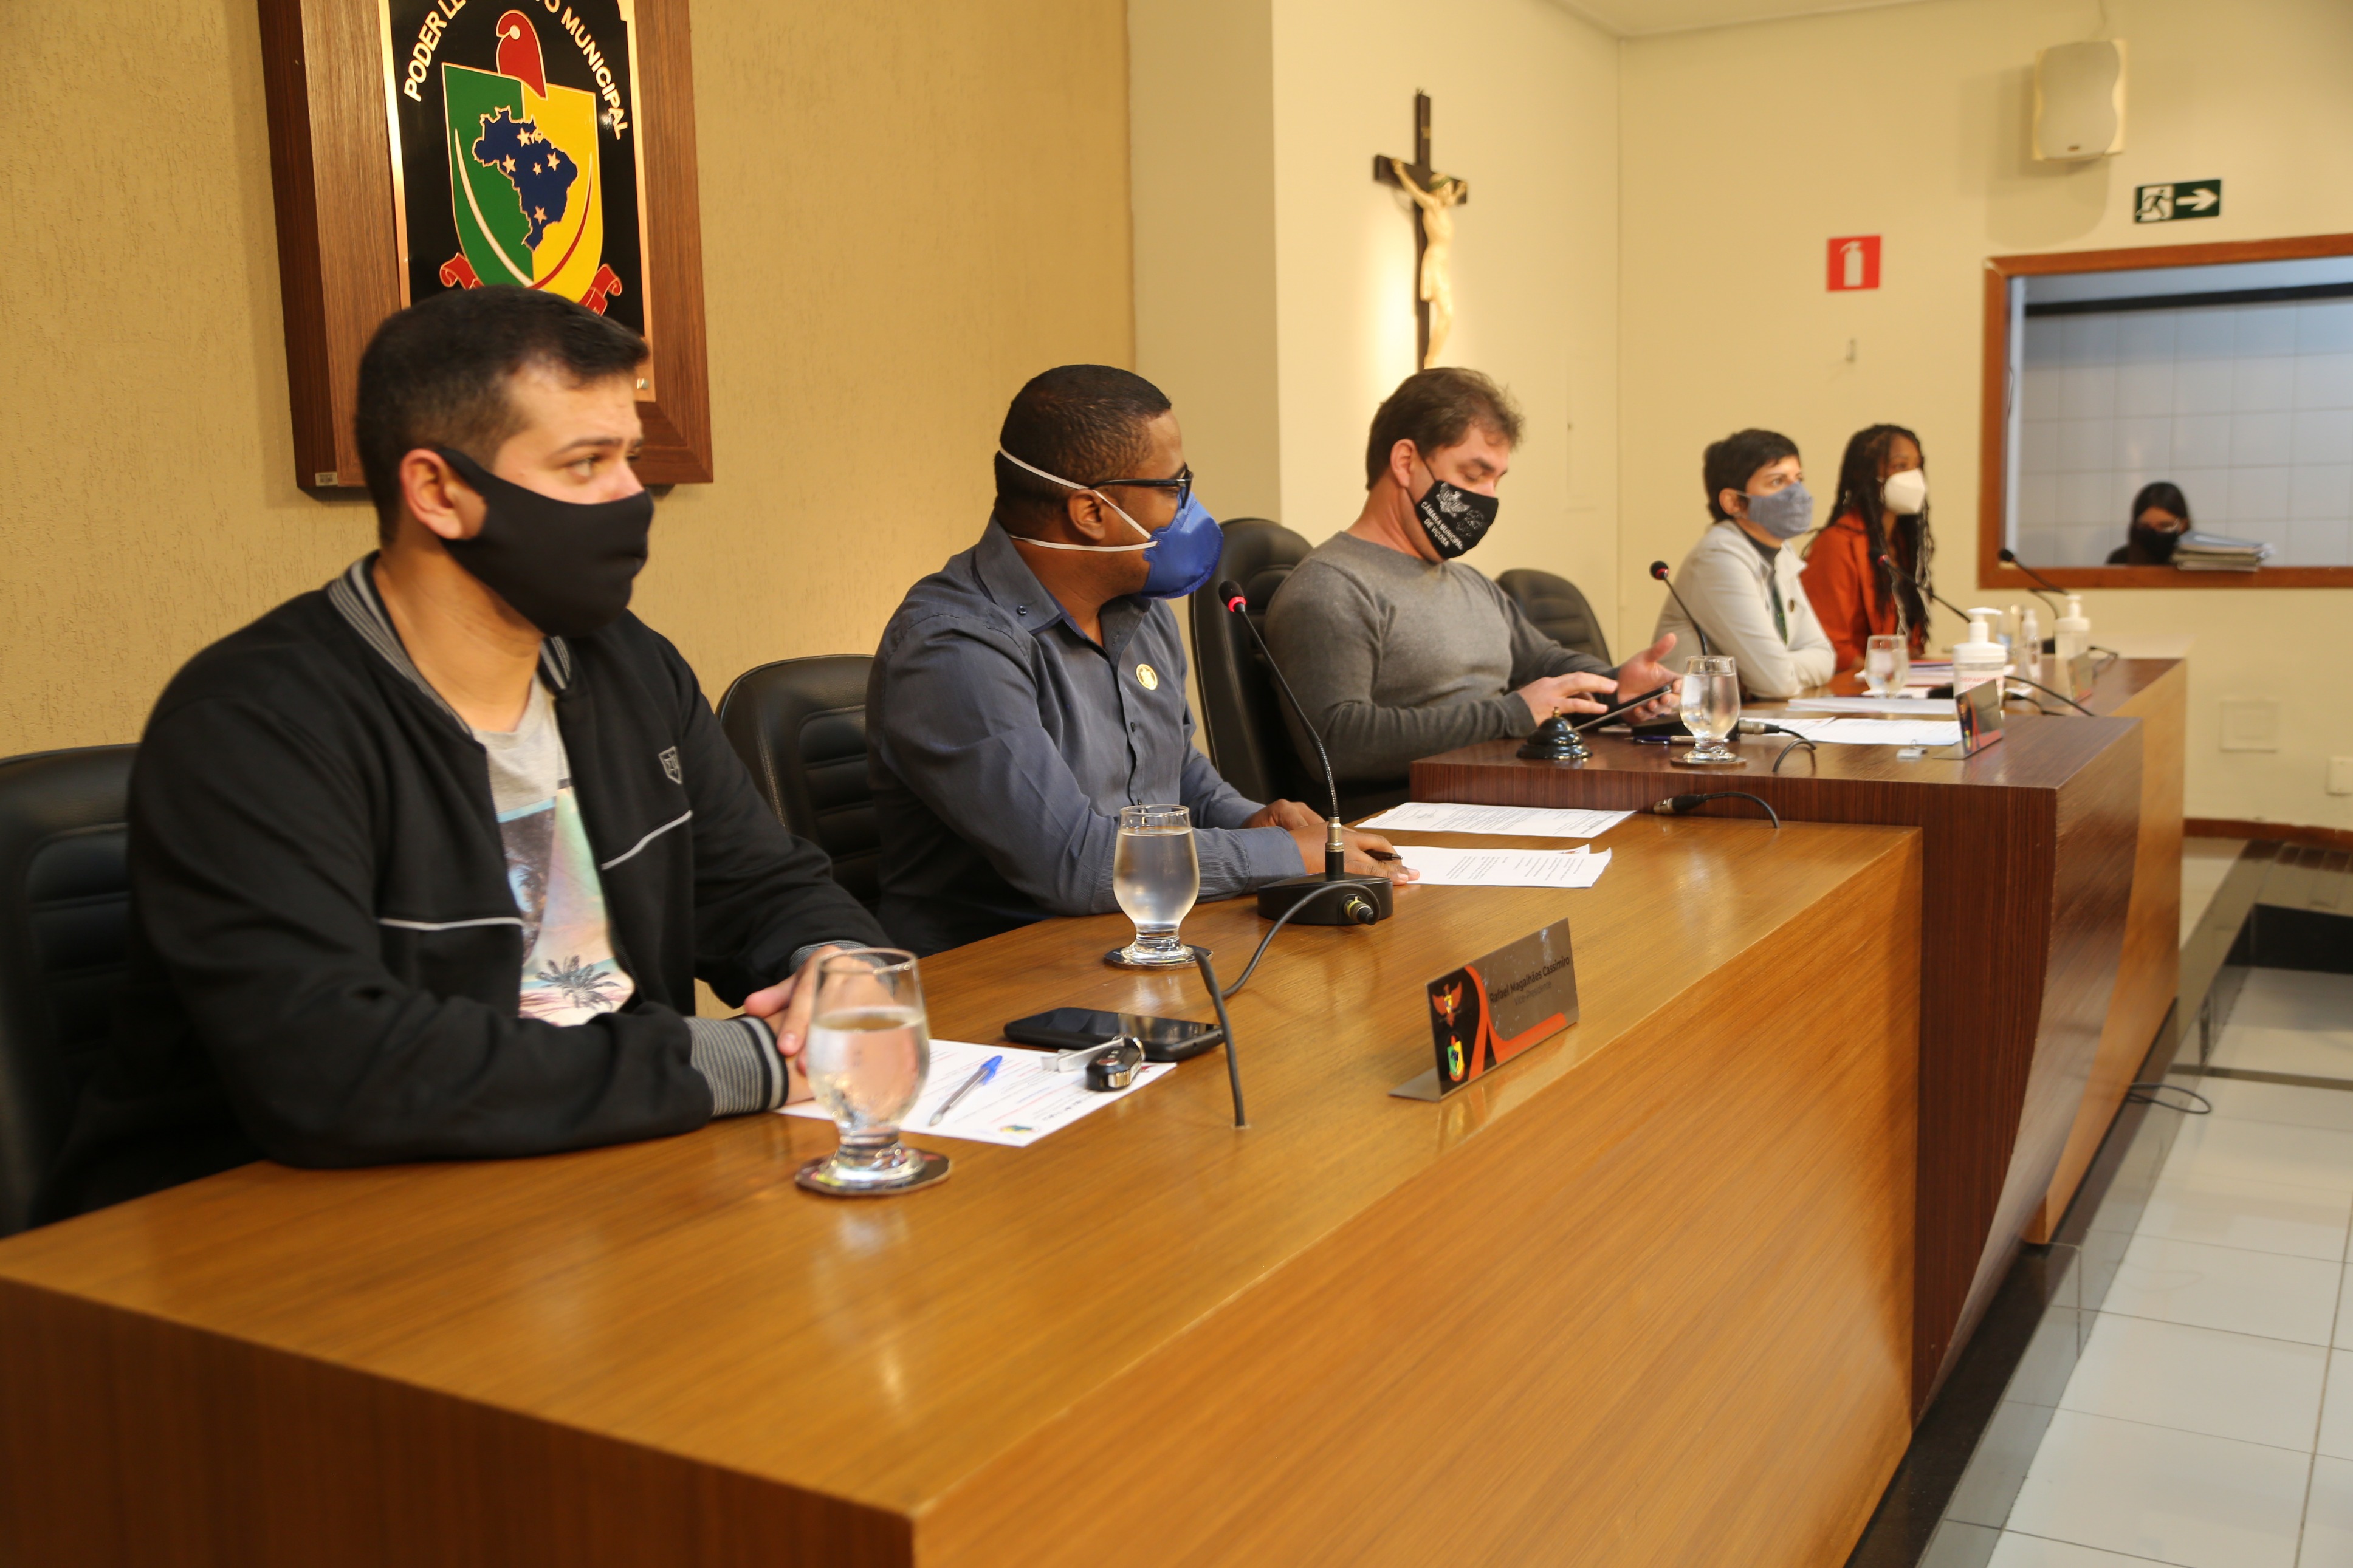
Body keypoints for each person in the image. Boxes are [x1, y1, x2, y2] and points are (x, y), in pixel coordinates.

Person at [40, 289, 887, 1221]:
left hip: (588, 1181)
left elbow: (762, 883)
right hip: (280, 1239)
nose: (630, 498)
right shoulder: (253, 722)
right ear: (438, 491)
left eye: (630, 460)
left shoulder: (628, 666)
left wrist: (836, 963)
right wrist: (743, 1062)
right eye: (585, 464)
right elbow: (332, 1066)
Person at [867, 365, 1412, 957]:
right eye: (1172, 487)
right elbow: (1073, 864)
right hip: (998, 979)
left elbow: (1173, 775)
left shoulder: (1140, 610)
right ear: (1091, 513)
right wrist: (1285, 855)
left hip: (1133, 947)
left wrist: (1252, 819)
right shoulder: (953, 646)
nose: (1188, 506)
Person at [1262, 369, 1679, 801]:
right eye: (1474, 475)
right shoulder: (1331, 588)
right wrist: (1511, 714)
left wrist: (1617, 688)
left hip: (1512, 799)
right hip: (1416, 827)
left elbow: (1543, 663)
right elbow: (1338, 741)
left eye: (1497, 480)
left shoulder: (1470, 583)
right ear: (1406, 462)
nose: (1489, 497)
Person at [1654, 428, 1835, 700]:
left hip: (1743, 716)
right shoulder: (1718, 558)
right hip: (1688, 725)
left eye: (1798, 479)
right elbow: (1777, 684)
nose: (1797, 493)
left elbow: (1825, 657)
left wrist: (1772, 671)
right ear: (1734, 501)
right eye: (1777, 482)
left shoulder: (1781, 550)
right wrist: (1773, 672)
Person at [1801, 423, 1936, 672]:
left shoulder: (1901, 542)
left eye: (1917, 465)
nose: (1914, 476)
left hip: (1893, 685)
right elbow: (1831, 645)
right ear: (1865, 474)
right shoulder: (1837, 544)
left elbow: (1909, 637)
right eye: (1900, 466)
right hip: (1855, 688)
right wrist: (1885, 677)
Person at [2107, 481, 2192, 564]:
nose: (2155, 532)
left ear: (2183, 525)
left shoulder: (2197, 561)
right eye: (2146, 527)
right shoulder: (2120, 560)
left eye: (2165, 526)